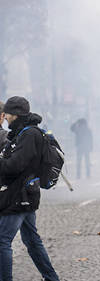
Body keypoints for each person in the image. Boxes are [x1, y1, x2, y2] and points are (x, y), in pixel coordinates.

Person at [0, 96, 59, 281]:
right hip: (25, 194)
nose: (6, 117)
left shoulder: (29, 134)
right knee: (32, 241)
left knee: (2, 242)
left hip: (19, 196)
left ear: (15, 114)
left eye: (8, 113)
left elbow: (14, 166)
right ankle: (51, 278)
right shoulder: (23, 132)